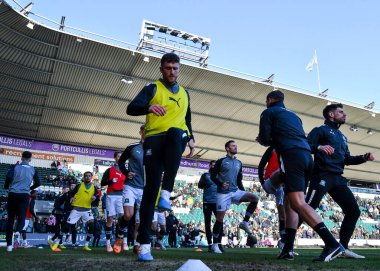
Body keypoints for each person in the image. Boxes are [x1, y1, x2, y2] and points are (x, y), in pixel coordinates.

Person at [257, 90, 344, 262]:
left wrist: (262, 139)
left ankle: (332, 243)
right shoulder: (295, 116)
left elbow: (266, 138)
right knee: (291, 204)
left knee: (298, 203)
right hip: (306, 157)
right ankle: (287, 249)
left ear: (270, 100)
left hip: (291, 156)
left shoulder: (268, 112)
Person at [127, 53, 195, 261]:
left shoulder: (185, 93)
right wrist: (148, 107)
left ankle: (166, 192)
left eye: (175, 68)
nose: (171, 72)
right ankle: (145, 245)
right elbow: (131, 108)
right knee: (149, 192)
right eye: (168, 68)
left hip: (175, 139)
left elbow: (187, 118)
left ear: (179, 69)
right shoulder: (152, 88)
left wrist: (191, 138)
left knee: (177, 132)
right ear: (161, 69)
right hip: (154, 139)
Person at [305, 103, 375, 259]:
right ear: (331, 114)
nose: (345, 115)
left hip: (338, 178)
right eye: (341, 112)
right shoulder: (320, 130)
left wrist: (363, 158)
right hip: (322, 175)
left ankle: (342, 249)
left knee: (354, 211)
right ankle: (287, 246)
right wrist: (319, 147)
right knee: (306, 209)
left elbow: (346, 159)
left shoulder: (343, 137)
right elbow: (305, 145)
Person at [210, 140, 259, 254]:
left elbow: (239, 179)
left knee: (255, 198)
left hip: (236, 191)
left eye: (236, 146)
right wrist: (221, 183)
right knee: (219, 219)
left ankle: (245, 222)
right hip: (223, 193)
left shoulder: (239, 163)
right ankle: (215, 244)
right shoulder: (221, 161)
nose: (235, 147)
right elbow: (213, 176)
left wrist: (242, 191)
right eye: (233, 146)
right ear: (227, 148)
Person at [115, 124, 145, 254]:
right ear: (141, 132)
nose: (147, 132)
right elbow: (121, 161)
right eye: (144, 130)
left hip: (144, 188)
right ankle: (120, 235)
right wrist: (126, 172)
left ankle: (137, 245)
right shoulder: (133, 146)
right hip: (131, 186)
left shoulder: (155, 149)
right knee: (128, 215)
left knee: (140, 220)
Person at [51, 172, 99, 252]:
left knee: (92, 226)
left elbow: (96, 196)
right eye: (86, 176)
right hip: (76, 209)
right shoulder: (79, 186)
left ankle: (86, 245)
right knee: (66, 226)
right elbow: (71, 194)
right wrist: (71, 197)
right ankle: (56, 243)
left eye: (89, 176)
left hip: (87, 210)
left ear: (91, 178)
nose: (87, 177)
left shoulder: (94, 188)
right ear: (83, 177)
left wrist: (95, 197)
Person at [4, 151, 40, 252]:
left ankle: (9, 246)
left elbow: (8, 177)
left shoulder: (14, 166)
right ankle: (18, 232)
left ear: (21, 157)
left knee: (10, 219)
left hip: (13, 194)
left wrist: (7, 186)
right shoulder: (33, 169)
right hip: (24, 195)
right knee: (22, 217)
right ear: (30, 159)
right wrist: (29, 188)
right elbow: (38, 182)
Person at [258, 147, 286, 249]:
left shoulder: (290, 147)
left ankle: (284, 242)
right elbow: (261, 165)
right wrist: (262, 183)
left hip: (283, 186)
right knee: (282, 171)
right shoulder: (272, 149)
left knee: (284, 215)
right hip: (270, 181)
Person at [101, 152, 126, 252]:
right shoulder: (109, 170)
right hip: (111, 196)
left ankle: (120, 241)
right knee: (110, 219)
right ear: (115, 158)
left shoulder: (125, 171)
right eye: (118, 156)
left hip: (121, 196)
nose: (120, 158)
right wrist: (110, 182)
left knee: (124, 217)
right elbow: (102, 183)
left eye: (122, 156)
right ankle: (108, 244)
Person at [198, 160, 220, 252]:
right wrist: (206, 184)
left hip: (217, 202)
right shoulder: (205, 175)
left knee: (219, 222)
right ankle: (210, 244)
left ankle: (218, 243)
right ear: (209, 166)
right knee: (207, 224)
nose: (214, 166)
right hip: (207, 202)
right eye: (212, 165)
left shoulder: (220, 175)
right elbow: (199, 185)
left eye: (215, 165)